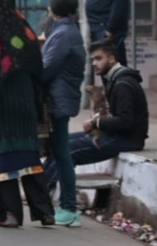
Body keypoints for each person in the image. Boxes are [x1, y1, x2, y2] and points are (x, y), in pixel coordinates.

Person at [0, 0, 55, 228]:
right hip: (25, 104)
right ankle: (45, 212)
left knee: (2, 157)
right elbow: (38, 69)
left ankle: (10, 214)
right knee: (28, 156)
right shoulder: (26, 31)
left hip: (0, 107)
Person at [43, 40, 149, 188]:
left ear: (111, 59)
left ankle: (44, 195)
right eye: (93, 59)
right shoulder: (116, 79)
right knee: (60, 142)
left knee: (67, 151)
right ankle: (40, 189)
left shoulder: (123, 84)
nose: (94, 63)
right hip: (116, 135)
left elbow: (125, 121)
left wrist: (95, 123)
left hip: (127, 140)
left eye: (99, 59)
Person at [39, 0, 86, 227]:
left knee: (61, 154)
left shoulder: (63, 35)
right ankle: (67, 206)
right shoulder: (69, 31)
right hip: (64, 97)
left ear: (53, 10)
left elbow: (47, 69)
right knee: (60, 153)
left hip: (59, 100)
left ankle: (68, 207)